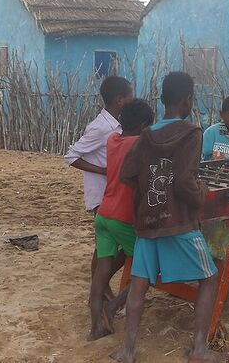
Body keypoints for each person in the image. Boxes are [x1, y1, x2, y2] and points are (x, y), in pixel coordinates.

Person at [112, 71, 226, 363]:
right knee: (211, 278)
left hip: (148, 222)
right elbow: (185, 183)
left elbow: (127, 175)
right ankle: (199, 349)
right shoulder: (192, 134)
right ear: (187, 99)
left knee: (138, 284)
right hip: (179, 222)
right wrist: (201, 192)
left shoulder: (146, 135)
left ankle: (128, 351)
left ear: (163, 99)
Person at [88, 99, 155, 341]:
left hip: (104, 214)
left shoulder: (112, 140)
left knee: (102, 271)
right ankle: (113, 305)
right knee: (148, 267)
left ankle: (95, 327)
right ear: (145, 125)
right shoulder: (139, 144)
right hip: (123, 217)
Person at [65, 76, 133, 301]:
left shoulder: (117, 124)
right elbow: (71, 156)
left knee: (106, 247)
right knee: (108, 247)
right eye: (130, 95)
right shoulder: (100, 127)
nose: (133, 99)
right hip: (102, 194)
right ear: (120, 100)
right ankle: (100, 288)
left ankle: (100, 288)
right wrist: (104, 171)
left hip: (113, 193)